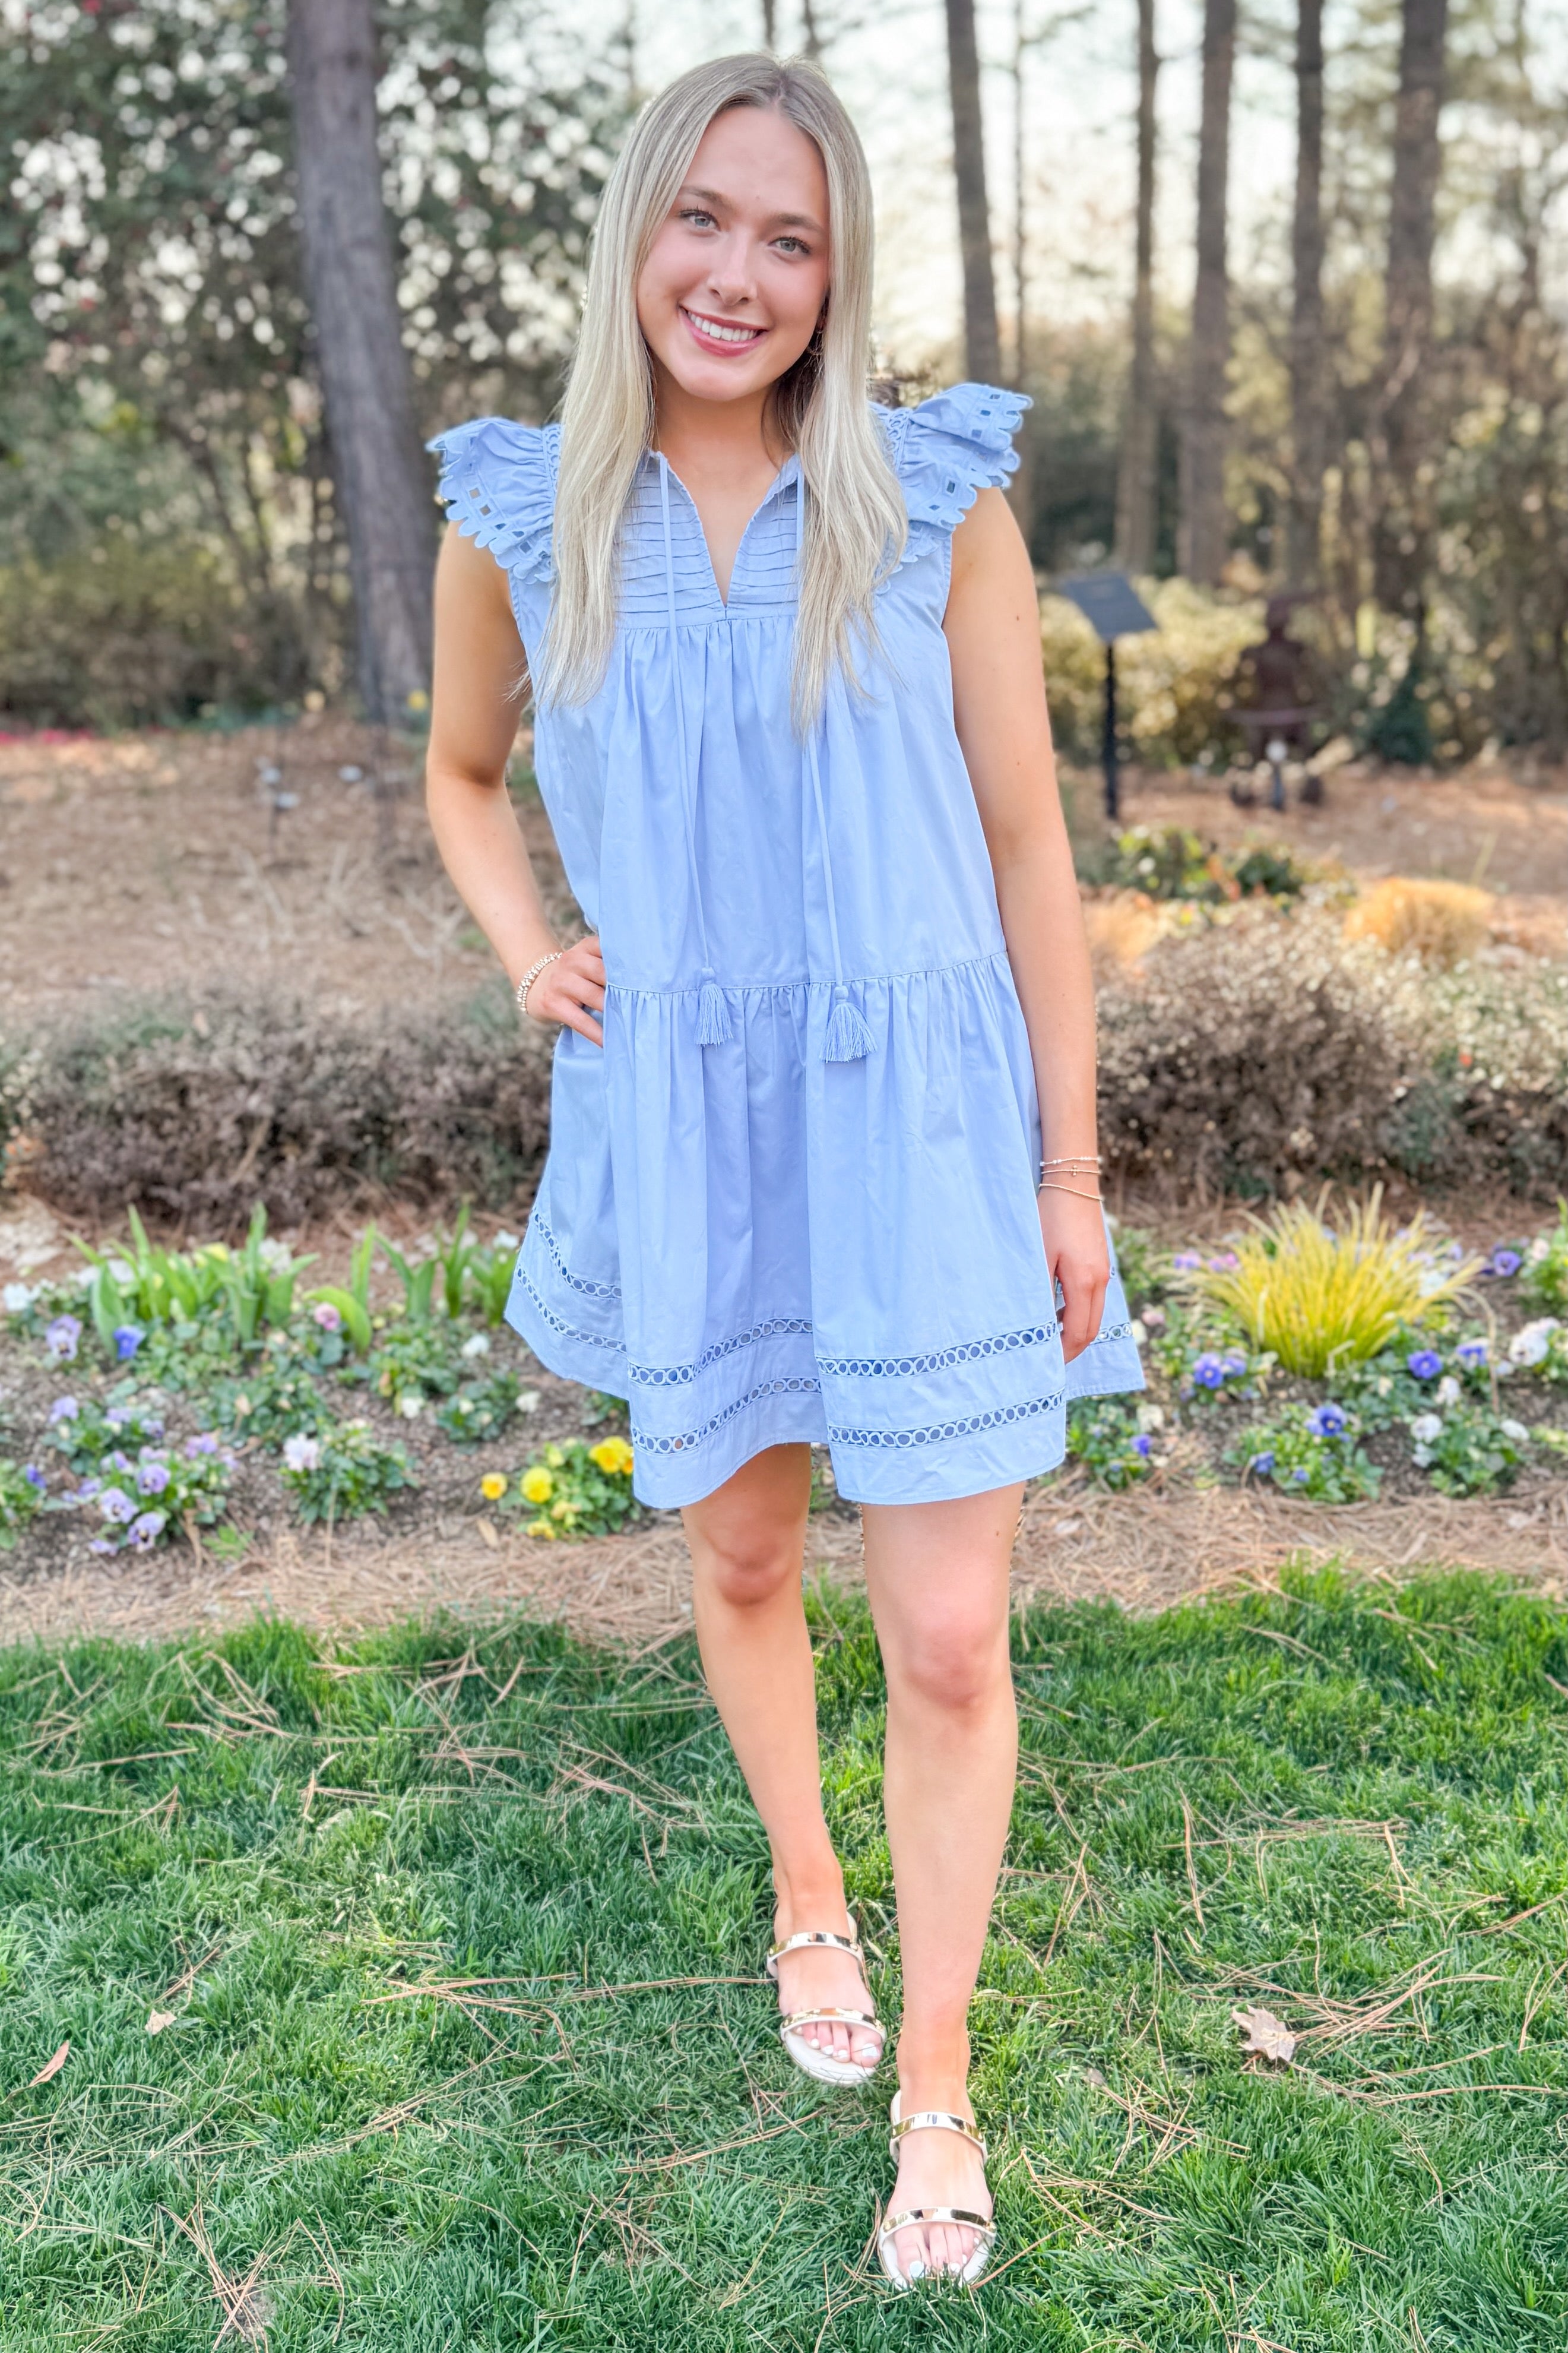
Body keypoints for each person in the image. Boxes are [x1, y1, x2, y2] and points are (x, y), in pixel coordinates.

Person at [424, 52, 1143, 2292]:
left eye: (792, 237)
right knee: (743, 1557)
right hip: (692, 1122)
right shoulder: (521, 515)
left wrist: (1068, 1163)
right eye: (706, 220)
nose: (739, 274)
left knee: (943, 1634)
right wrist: (533, 942)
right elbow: (458, 772)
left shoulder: (932, 504)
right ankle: (802, 1887)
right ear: (639, 229)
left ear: (837, 280)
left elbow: (1031, 847)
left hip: (925, 1124)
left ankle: (935, 2078)